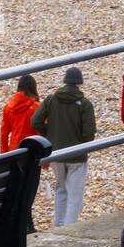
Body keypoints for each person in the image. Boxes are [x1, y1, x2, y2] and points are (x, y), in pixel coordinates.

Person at [31, 68, 96, 227]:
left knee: (61, 189)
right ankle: (70, 227)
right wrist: (81, 141)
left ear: (65, 80)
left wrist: (49, 134)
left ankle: (59, 225)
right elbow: (89, 133)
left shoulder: (51, 99)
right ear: (79, 82)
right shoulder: (85, 104)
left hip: (56, 153)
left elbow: (35, 121)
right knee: (75, 195)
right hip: (77, 156)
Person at [0, 75, 41, 153]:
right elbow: (44, 129)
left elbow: (4, 133)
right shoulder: (37, 106)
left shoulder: (8, 107)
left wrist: (4, 153)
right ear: (33, 87)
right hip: (33, 147)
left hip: (15, 148)